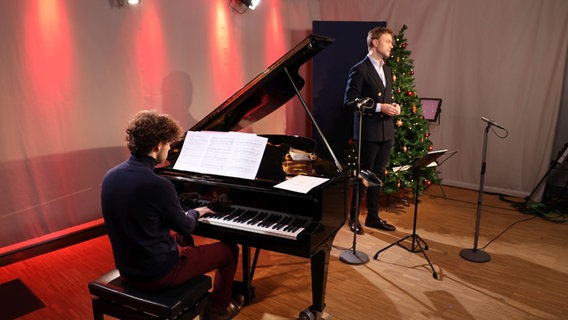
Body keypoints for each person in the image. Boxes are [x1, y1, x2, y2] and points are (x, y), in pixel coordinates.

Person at [101, 110, 243, 320]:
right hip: (157, 274)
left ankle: (196, 295)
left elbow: (147, 219)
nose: (169, 149)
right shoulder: (158, 184)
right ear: (158, 145)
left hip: (128, 268)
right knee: (230, 249)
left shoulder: (110, 176)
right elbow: (186, 225)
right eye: (168, 144)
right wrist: (196, 211)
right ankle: (219, 309)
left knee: (183, 241)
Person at [344, 27, 401, 235]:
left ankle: (373, 217)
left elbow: (386, 98)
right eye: (388, 41)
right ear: (375, 43)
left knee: (377, 176)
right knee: (363, 177)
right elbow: (350, 101)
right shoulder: (359, 69)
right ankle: (353, 218)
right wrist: (379, 107)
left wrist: (394, 107)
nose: (391, 45)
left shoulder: (387, 69)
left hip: (386, 132)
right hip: (368, 132)